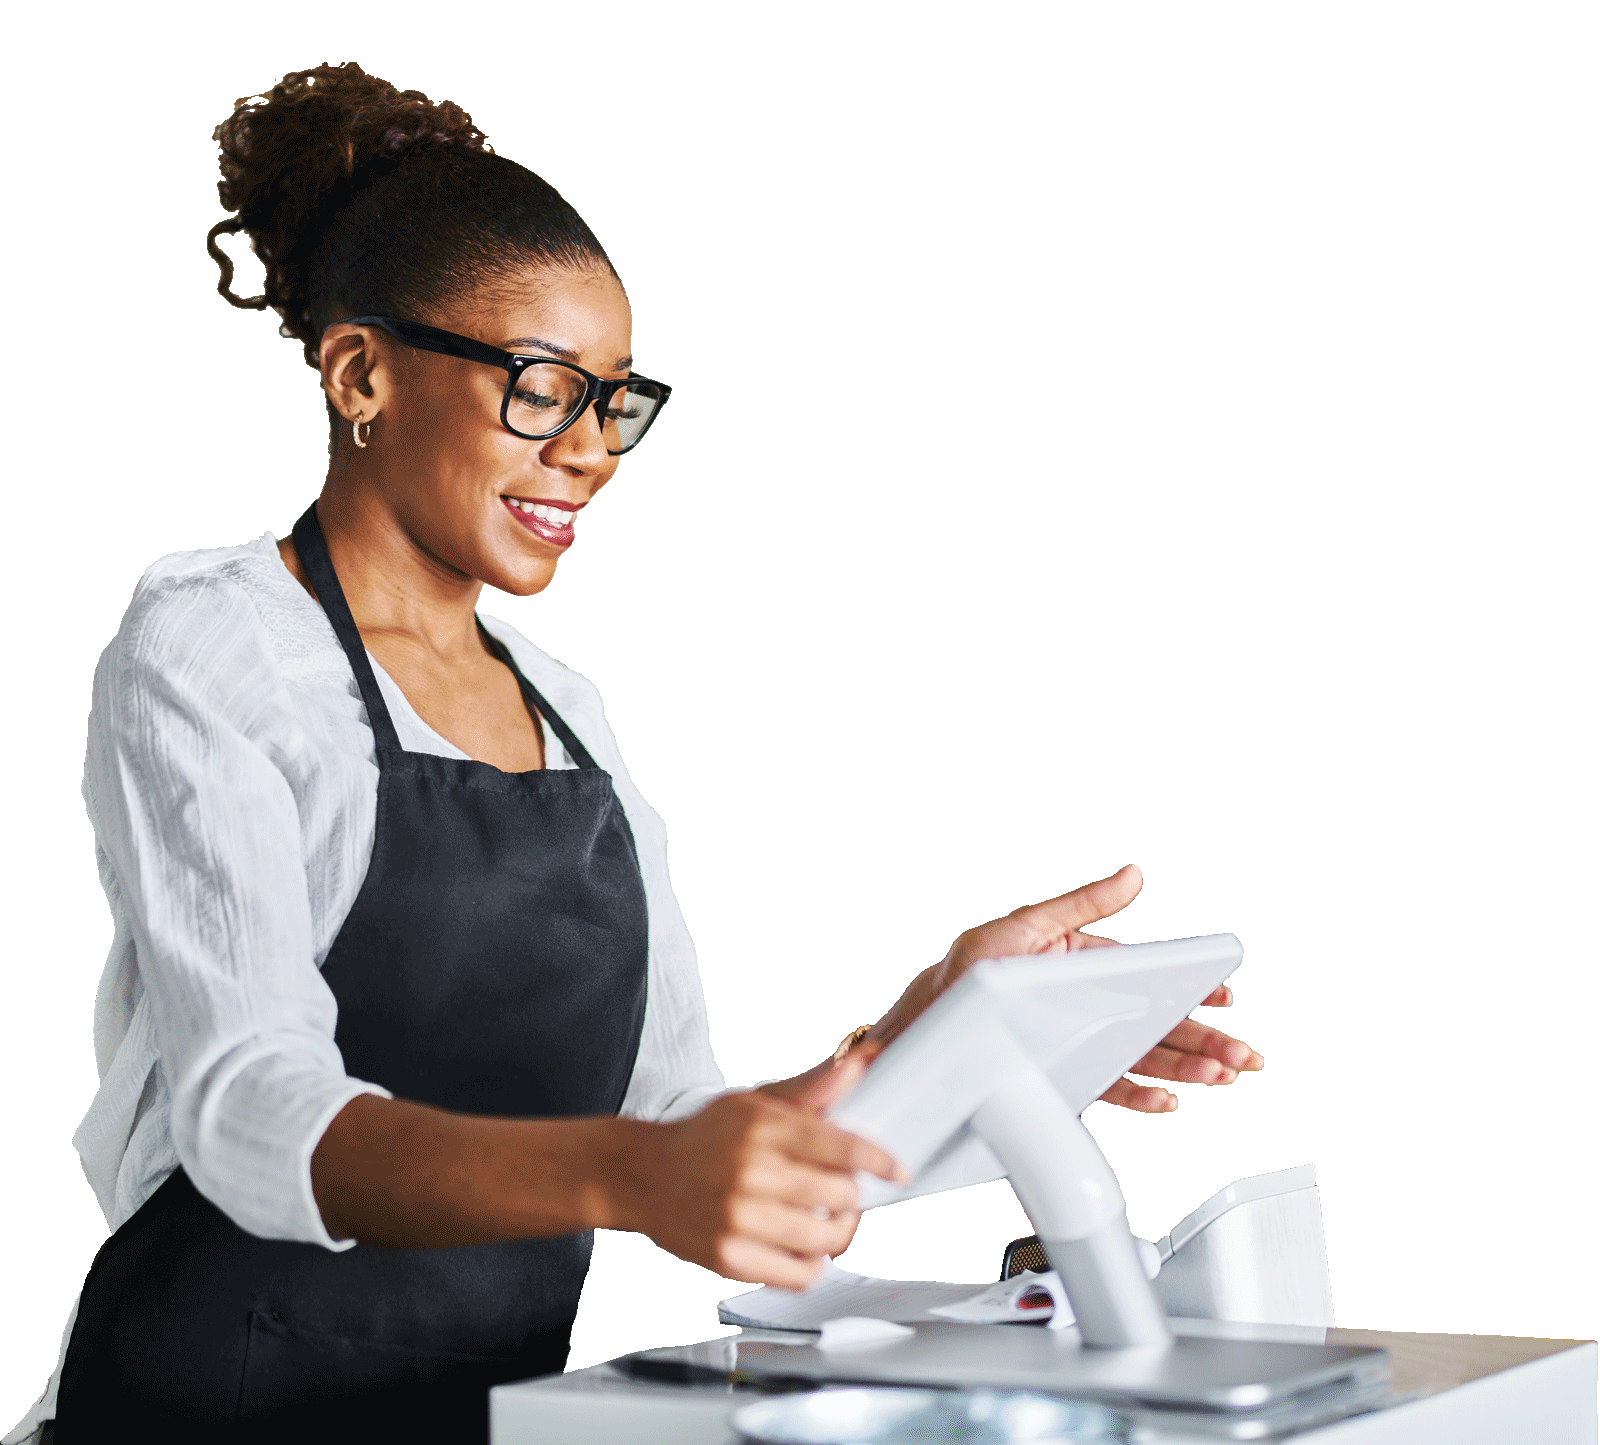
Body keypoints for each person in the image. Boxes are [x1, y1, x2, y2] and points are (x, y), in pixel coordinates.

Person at [13, 63, 1263, 1445]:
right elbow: (250, 1117)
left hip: (469, 1420)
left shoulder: (568, 713)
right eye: (544, 389)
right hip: (198, 1410)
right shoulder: (217, 638)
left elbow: (681, 1128)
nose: (594, 451)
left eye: (614, 402)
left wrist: (952, 1033)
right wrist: (631, 1173)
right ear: (362, 372)